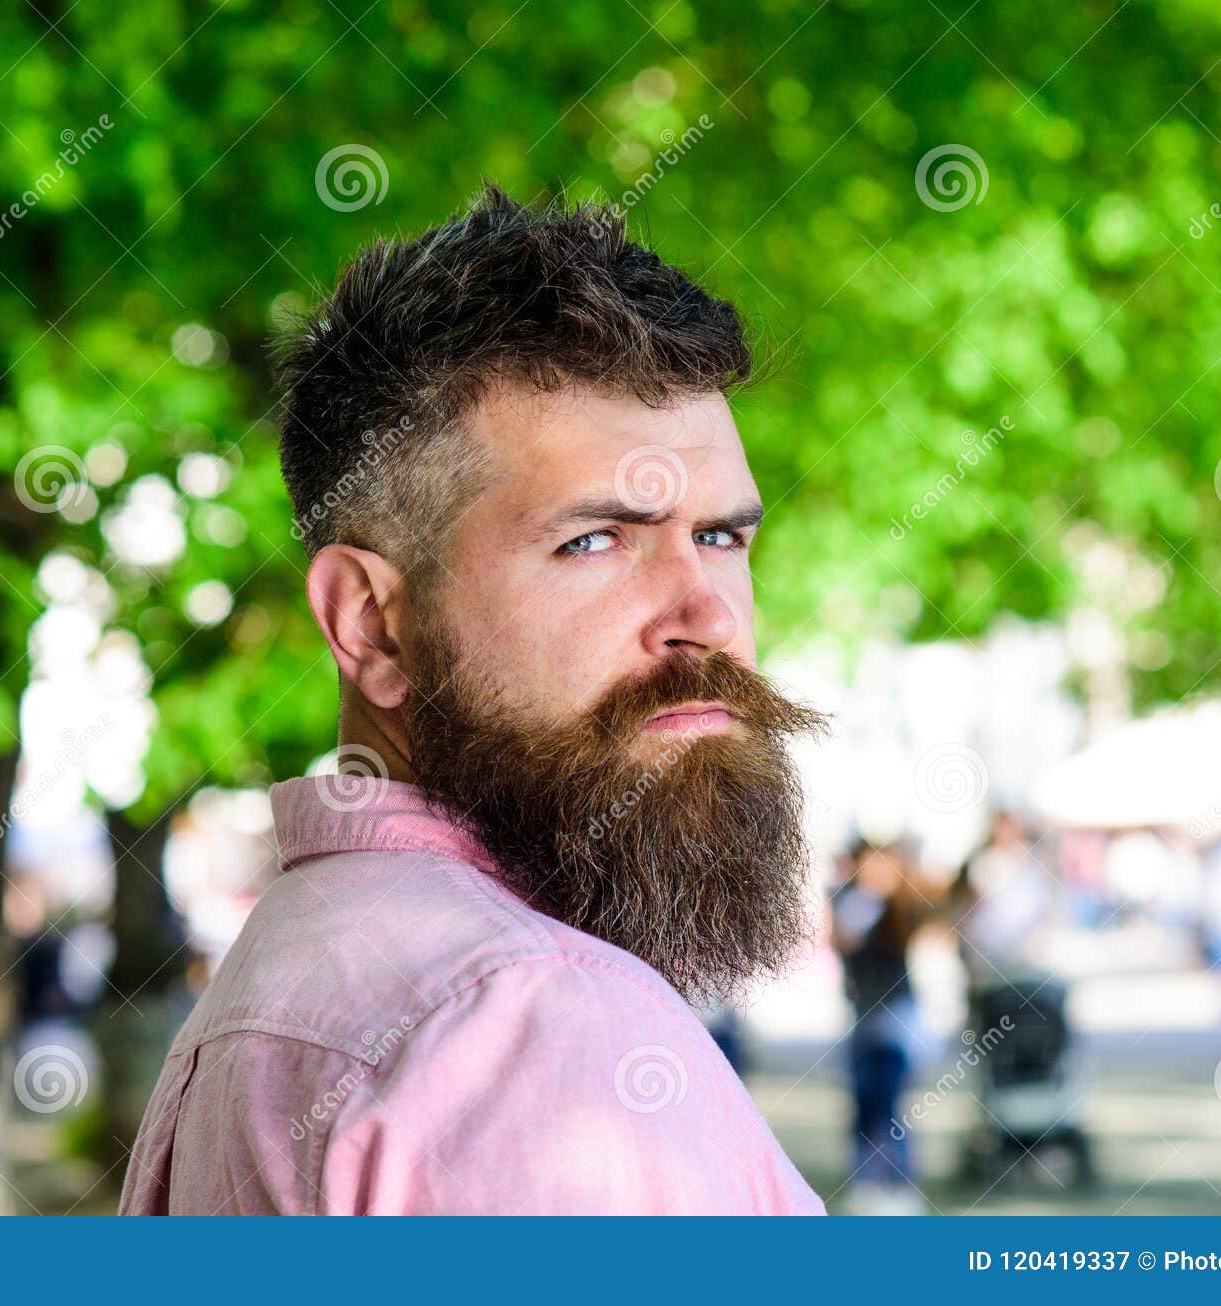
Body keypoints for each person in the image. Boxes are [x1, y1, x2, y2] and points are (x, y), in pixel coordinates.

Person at [121, 185, 829, 1216]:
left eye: (720, 536)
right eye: (594, 540)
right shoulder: (533, 1022)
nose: (707, 617)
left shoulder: (299, 971)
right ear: (369, 622)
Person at [829, 840, 933, 1213]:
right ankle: (866, 1183)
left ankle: (898, 1182)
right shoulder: (850, 903)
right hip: (863, 1019)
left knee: (889, 1104)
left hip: (894, 1022)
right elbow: (842, 942)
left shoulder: (899, 908)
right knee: (864, 1102)